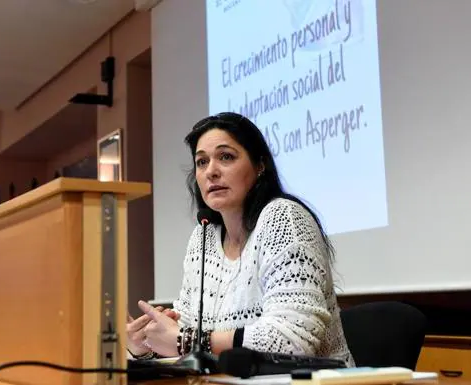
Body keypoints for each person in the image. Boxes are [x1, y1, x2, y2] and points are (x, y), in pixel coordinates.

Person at [127, 112, 354, 367]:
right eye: (201, 162)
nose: (211, 171)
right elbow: (186, 331)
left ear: (259, 166)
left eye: (226, 157)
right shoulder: (203, 237)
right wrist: (144, 344)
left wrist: (185, 340)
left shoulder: (283, 218)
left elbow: (294, 340)